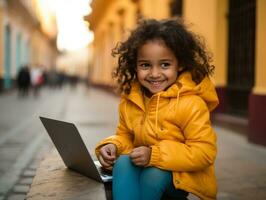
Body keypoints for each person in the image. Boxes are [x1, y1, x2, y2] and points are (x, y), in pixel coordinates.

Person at [95, 18, 219, 200]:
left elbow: (205, 152)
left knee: (153, 175)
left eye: (165, 65)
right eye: (145, 65)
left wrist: (154, 155)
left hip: (180, 176)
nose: (154, 74)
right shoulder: (131, 99)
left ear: (181, 64)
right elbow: (125, 136)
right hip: (145, 166)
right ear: (134, 65)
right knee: (122, 163)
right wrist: (113, 145)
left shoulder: (191, 103)